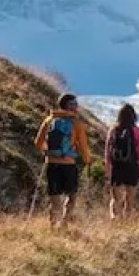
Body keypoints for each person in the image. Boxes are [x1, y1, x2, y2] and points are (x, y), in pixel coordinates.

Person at [33, 93, 91, 227]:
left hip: (51, 163)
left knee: (54, 196)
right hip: (68, 164)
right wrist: (87, 160)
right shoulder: (76, 123)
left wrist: (48, 152)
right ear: (69, 106)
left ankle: (53, 225)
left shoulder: (49, 120)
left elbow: (38, 143)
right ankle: (64, 223)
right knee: (72, 195)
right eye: (74, 104)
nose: (77, 106)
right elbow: (83, 146)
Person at [104, 103, 139, 220]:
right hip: (131, 167)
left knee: (115, 198)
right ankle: (127, 220)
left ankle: (115, 218)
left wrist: (108, 167)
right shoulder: (138, 131)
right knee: (130, 198)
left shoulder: (113, 130)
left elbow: (108, 151)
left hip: (116, 167)